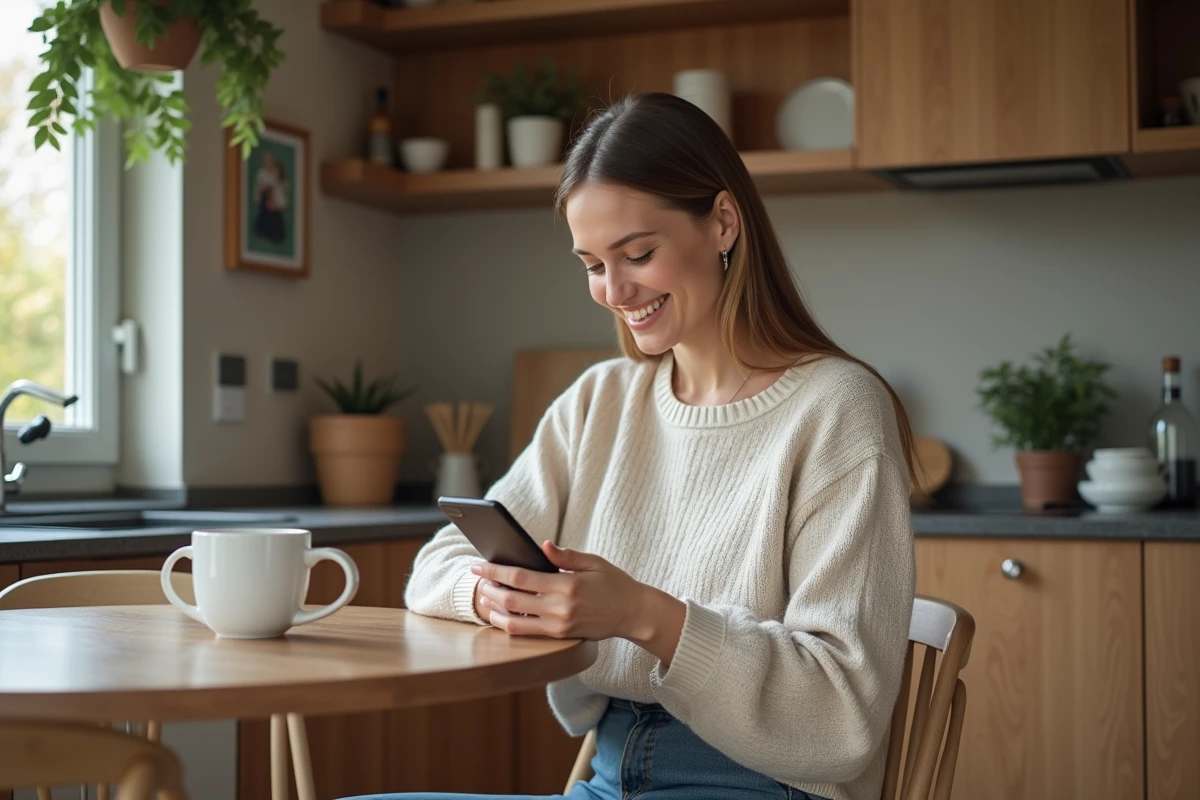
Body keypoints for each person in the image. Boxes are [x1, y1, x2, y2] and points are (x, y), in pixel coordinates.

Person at [347, 92, 917, 800]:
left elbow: (841, 715)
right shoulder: (601, 401)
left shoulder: (836, 408)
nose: (614, 290)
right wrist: (506, 596)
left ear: (723, 223)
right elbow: (438, 566)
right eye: (591, 264)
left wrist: (643, 615)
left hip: (762, 785)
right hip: (608, 773)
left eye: (637, 254)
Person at [253, 149, 288, 244]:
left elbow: (282, 202)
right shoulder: (262, 175)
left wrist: (275, 205)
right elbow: (258, 195)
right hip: (265, 209)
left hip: (275, 213)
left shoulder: (282, 185)